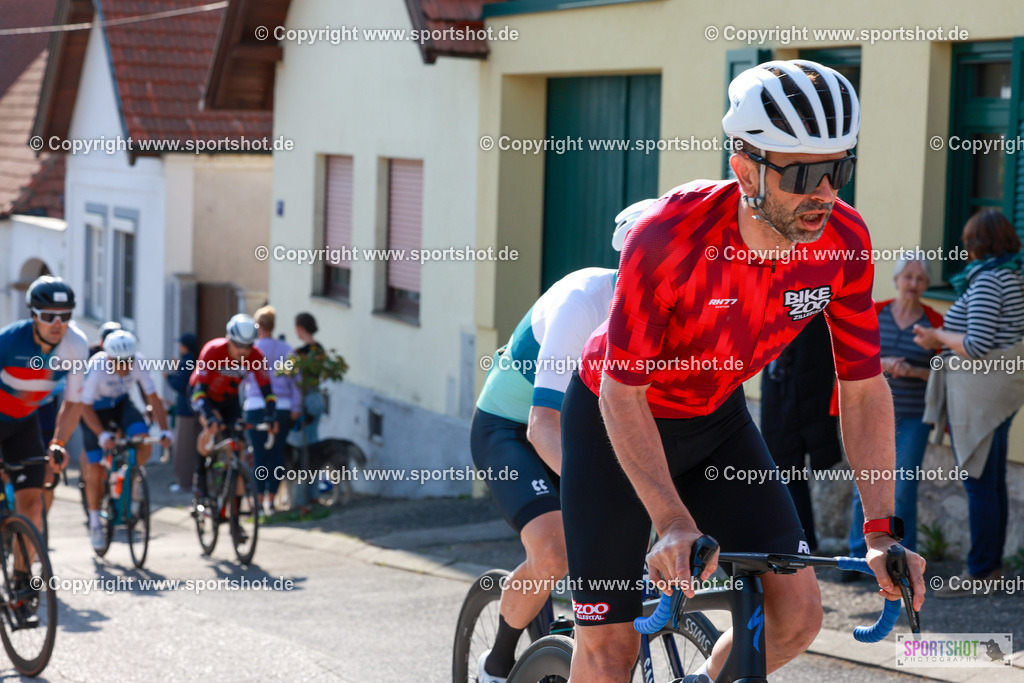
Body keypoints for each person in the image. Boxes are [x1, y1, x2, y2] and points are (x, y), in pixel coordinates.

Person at [559, 60, 925, 683]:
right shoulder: (668, 240)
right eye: (805, 173)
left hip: (718, 421)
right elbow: (623, 396)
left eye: (840, 169)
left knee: (798, 619)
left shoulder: (844, 241)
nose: (827, 192)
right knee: (610, 650)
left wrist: (882, 531)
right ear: (745, 167)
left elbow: (863, 391)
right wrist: (673, 522)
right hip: (616, 422)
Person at [474, 200, 654, 683]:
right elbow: (541, 426)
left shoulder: (670, 312)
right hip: (512, 428)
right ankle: (497, 664)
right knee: (554, 553)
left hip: (586, 431)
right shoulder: (584, 301)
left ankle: (569, 643)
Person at [917, 210, 1024, 597]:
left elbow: (977, 346)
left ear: (979, 243)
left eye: (968, 240)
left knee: (979, 483)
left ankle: (980, 573)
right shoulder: (1009, 275)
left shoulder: (989, 281)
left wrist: (936, 337)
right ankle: (990, 568)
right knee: (991, 483)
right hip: (999, 395)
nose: (964, 247)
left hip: (982, 397)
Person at [843, 256, 942, 573]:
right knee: (868, 484)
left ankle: (902, 559)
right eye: (908, 277)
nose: (913, 284)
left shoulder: (934, 323)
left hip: (913, 417)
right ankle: (861, 556)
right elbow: (852, 357)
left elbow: (944, 377)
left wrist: (913, 369)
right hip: (872, 415)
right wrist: (884, 364)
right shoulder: (876, 312)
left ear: (926, 285)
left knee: (904, 488)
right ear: (897, 280)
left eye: (920, 279)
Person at [0, 277, 88, 618]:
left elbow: (74, 402)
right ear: (33, 314)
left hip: (25, 425)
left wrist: (59, 442)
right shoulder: (8, 342)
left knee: (33, 506)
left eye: (65, 316)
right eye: (49, 316)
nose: (58, 324)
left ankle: (22, 583)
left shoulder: (76, 345)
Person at [79, 330, 173, 549]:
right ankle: (95, 521)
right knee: (95, 470)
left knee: (143, 440)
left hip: (120, 404)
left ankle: (127, 474)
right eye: (120, 362)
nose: (125, 366)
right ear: (109, 357)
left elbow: (153, 398)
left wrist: (165, 430)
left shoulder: (138, 362)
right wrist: (101, 434)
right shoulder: (96, 367)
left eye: (129, 361)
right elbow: (83, 407)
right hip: (94, 410)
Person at [760, 312, 841, 553]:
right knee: (782, 471)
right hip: (778, 396)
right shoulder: (771, 308)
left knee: (792, 475)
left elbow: (819, 364)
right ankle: (794, 541)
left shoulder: (815, 313)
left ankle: (802, 542)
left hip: (807, 403)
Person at [190, 314, 278, 501]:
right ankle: (200, 477)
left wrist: (271, 415)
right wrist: (211, 417)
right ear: (229, 339)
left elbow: (268, 392)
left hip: (229, 399)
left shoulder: (255, 356)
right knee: (211, 425)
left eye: (248, 346)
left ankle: (235, 515)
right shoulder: (213, 350)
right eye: (238, 345)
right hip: (204, 396)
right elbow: (199, 393)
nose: (243, 351)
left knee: (238, 449)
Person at [243, 306, 301, 515]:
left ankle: (258, 500)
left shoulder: (250, 350)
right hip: (283, 408)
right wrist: (296, 407)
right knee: (277, 455)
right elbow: (297, 381)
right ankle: (271, 500)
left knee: (258, 454)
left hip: (256, 406)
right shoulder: (287, 349)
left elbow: (244, 379)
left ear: (257, 327)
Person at [165, 332, 200, 493]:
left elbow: (180, 384)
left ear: (185, 346)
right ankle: (192, 481)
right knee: (193, 449)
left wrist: (168, 377)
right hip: (195, 410)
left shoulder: (188, 361)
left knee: (183, 450)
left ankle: (183, 483)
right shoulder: (195, 360)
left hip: (186, 412)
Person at [291, 312, 325, 446]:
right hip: (317, 397)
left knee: (301, 442)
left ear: (300, 328)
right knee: (313, 438)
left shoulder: (299, 353)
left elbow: (292, 376)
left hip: (305, 398)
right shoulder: (320, 349)